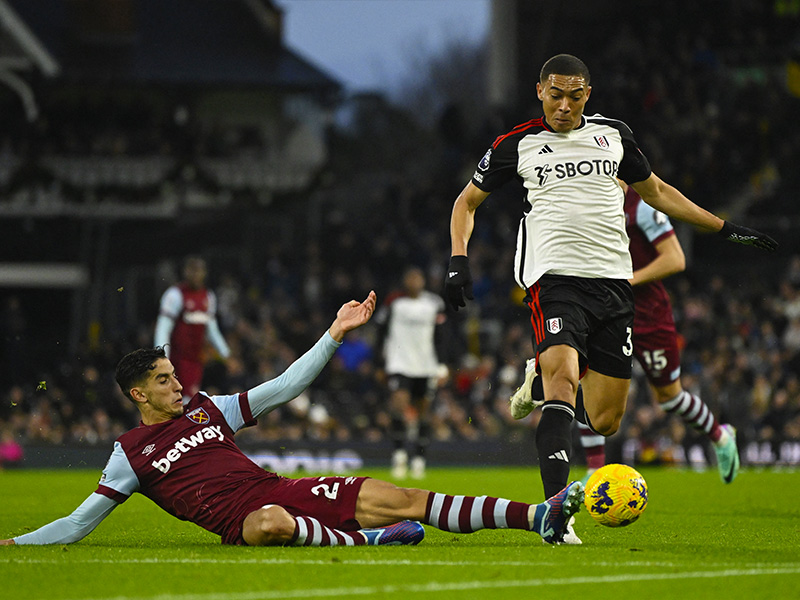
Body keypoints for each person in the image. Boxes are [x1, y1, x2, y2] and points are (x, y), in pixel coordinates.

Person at [445, 54, 776, 542]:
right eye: (555, 94)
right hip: (554, 279)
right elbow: (466, 202)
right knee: (563, 378)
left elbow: (659, 191)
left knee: (605, 420)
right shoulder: (515, 144)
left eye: (574, 95)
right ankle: (555, 516)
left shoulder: (614, 136)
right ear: (539, 91)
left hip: (615, 286)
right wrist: (458, 259)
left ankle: (542, 383)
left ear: (587, 95)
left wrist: (725, 228)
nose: (563, 104)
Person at [1, 291, 584, 547]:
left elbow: (283, 388)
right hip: (250, 520)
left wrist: (333, 335)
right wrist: (16, 543)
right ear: (136, 394)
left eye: (175, 374)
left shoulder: (209, 410)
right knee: (268, 526)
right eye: (163, 379)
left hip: (283, 490)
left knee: (402, 494)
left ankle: (536, 516)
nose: (178, 384)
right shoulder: (128, 453)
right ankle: (372, 541)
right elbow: (78, 525)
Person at [510, 183, 740, 485]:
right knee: (582, 379)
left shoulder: (641, 205)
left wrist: (626, 280)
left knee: (670, 397)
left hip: (648, 315)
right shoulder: (583, 199)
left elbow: (675, 258)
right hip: (599, 308)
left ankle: (720, 436)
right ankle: (595, 470)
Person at [374, 267, 446, 479]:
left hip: (426, 365)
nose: (414, 281)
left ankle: (419, 459)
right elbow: (380, 332)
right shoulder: (394, 302)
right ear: (404, 281)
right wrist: (379, 364)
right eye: (410, 277)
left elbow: (443, 336)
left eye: (418, 277)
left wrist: (442, 364)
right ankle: (399, 455)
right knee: (398, 404)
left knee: (424, 411)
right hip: (399, 363)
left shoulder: (434, 303)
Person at [154, 256, 230, 400]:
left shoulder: (208, 297)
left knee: (188, 399)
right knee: (185, 399)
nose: (196, 274)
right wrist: (161, 357)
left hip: (196, 359)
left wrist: (225, 353)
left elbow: (211, 329)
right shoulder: (175, 295)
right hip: (178, 359)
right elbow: (163, 328)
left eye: (199, 270)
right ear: (185, 272)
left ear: (204, 273)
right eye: (192, 270)